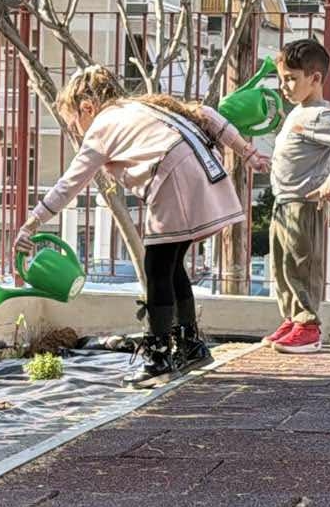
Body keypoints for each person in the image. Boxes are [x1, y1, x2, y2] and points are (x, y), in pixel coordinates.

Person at [14, 65, 267, 386]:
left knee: (156, 269)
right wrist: (248, 153)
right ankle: (190, 345)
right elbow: (206, 114)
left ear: (87, 107)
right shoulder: (143, 106)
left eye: (74, 123)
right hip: (205, 170)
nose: (76, 132)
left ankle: (158, 358)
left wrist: (32, 223)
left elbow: (69, 184)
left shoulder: (102, 126)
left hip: (173, 178)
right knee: (171, 266)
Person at [262, 38, 330, 354]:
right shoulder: (298, 112)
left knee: (301, 266)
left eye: (291, 79)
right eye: (282, 79)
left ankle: (307, 327)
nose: (284, 86)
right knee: (282, 268)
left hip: (303, 204)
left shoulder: (320, 115)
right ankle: (293, 319)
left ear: (315, 78)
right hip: (283, 202)